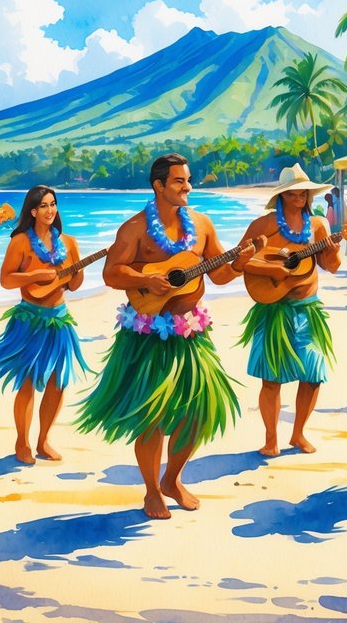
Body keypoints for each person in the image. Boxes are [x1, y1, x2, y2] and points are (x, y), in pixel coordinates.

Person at [76, 153, 260, 519]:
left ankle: (172, 479)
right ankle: (150, 492)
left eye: (188, 180)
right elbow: (112, 274)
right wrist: (146, 279)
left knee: (197, 414)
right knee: (153, 418)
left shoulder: (203, 225)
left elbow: (220, 275)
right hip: (147, 337)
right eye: (179, 181)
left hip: (190, 335)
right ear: (158, 185)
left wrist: (240, 263)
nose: (187, 187)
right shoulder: (135, 229)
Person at [0, 186, 88, 464]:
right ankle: (22, 442)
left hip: (59, 320)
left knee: (58, 383)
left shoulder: (69, 243)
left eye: (53, 204)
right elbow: (6, 279)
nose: (50, 210)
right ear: (32, 211)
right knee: (28, 383)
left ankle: (43, 440)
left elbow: (74, 285)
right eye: (44, 206)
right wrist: (33, 275)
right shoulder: (20, 241)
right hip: (29, 320)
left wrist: (77, 270)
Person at [235, 164, 340, 457]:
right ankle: (271, 439)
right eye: (294, 191)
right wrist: (275, 269)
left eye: (304, 191)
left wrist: (331, 253)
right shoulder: (264, 225)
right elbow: (237, 261)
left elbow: (331, 267)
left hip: (308, 310)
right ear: (283, 194)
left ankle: (298, 434)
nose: (300, 196)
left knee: (313, 375)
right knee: (272, 379)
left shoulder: (318, 225)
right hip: (274, 307)